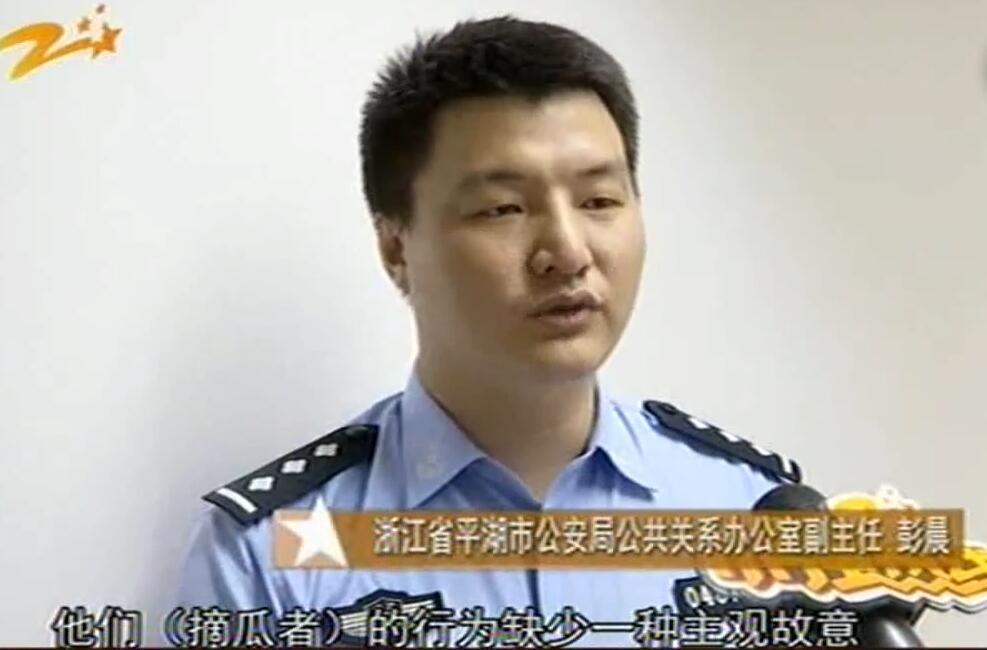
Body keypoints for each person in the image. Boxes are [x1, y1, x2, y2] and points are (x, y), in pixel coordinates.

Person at [175, 15, 802, 647]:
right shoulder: (269, 552)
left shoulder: (753, 506)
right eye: (503, 209)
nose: (567, 252)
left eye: (599, 201)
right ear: (396, 248)